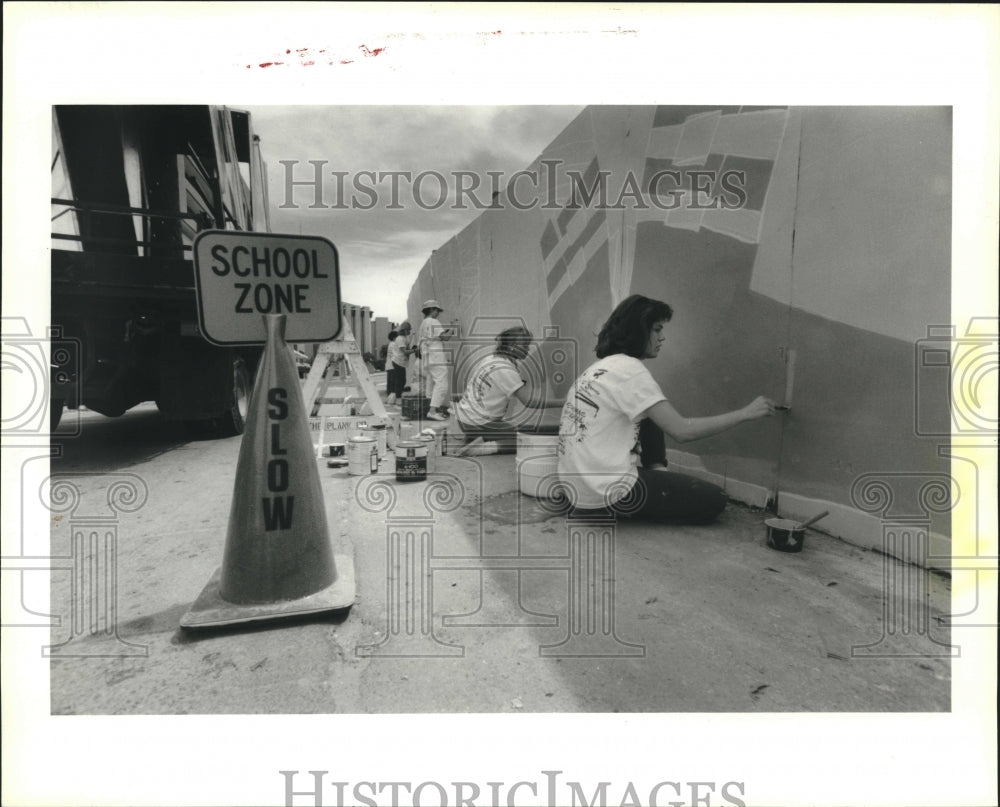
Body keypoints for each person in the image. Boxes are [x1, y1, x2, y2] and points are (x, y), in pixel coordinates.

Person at [557, 294, 775, 523]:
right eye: (657, 330)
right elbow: (682, 431)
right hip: (606, 493)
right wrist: (745, 413)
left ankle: (657, 474)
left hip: (577, 489)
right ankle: (637, 499)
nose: (663, 338)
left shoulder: (599, 368)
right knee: (715, 498)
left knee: (650, 409)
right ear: (639, 331)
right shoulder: (631, 371)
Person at [452, 326, 562, 454]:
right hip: (477, 422)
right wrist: (562, 402)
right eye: (525, 345)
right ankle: (478, 449)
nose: (528, 349)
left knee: (508, 428)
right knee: (524, 441)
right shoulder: (506, 369)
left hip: (464, 418)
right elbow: (529, 402)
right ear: (512, 347)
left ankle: (472, 438)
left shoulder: (491, 359)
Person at [418, 299, 456, 421]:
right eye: (437, 310)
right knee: (442, 383)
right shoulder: (434, 321)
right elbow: (445, 337)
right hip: (436, 356)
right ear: (432, 310)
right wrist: (453, 328)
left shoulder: (423, 323)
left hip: (428, 357)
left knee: (431, 383)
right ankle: (433, 411)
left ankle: (431, 409)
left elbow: (435, 336)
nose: (438, 313)